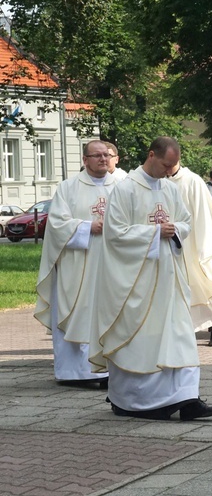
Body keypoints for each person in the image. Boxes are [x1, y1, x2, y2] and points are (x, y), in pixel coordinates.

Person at [90, 136, 212, 421]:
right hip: (136, 281)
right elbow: (114, 235)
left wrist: (175, 229)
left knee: (179, 335)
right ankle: (131, 401)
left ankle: (187, 398)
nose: (169, 170)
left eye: (174, 165)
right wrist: (153, 233)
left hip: (169, 278)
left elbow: (186, 221)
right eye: (166, 164)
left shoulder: (170, 189)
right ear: (151, 155)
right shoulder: (125, 190)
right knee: (141, 341)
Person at [34, 140, 114, 387]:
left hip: (111, 264)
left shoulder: (121, 186)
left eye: (106, 155)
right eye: (97, 155)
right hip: (77, 264)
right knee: (77, 312)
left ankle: (109, 370)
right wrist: (88, 227)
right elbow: (56, 224)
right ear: (85, 159)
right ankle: (74, 373)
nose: (102, 159)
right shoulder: (68, 188)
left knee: (108, 313)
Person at [167, 160, 212, 346]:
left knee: (199, 284)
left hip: (192, 241)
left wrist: (204, 245)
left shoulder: (192, 181)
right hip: (166, 242)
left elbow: (204, 214)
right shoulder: (160, 181)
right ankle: (179, 329)